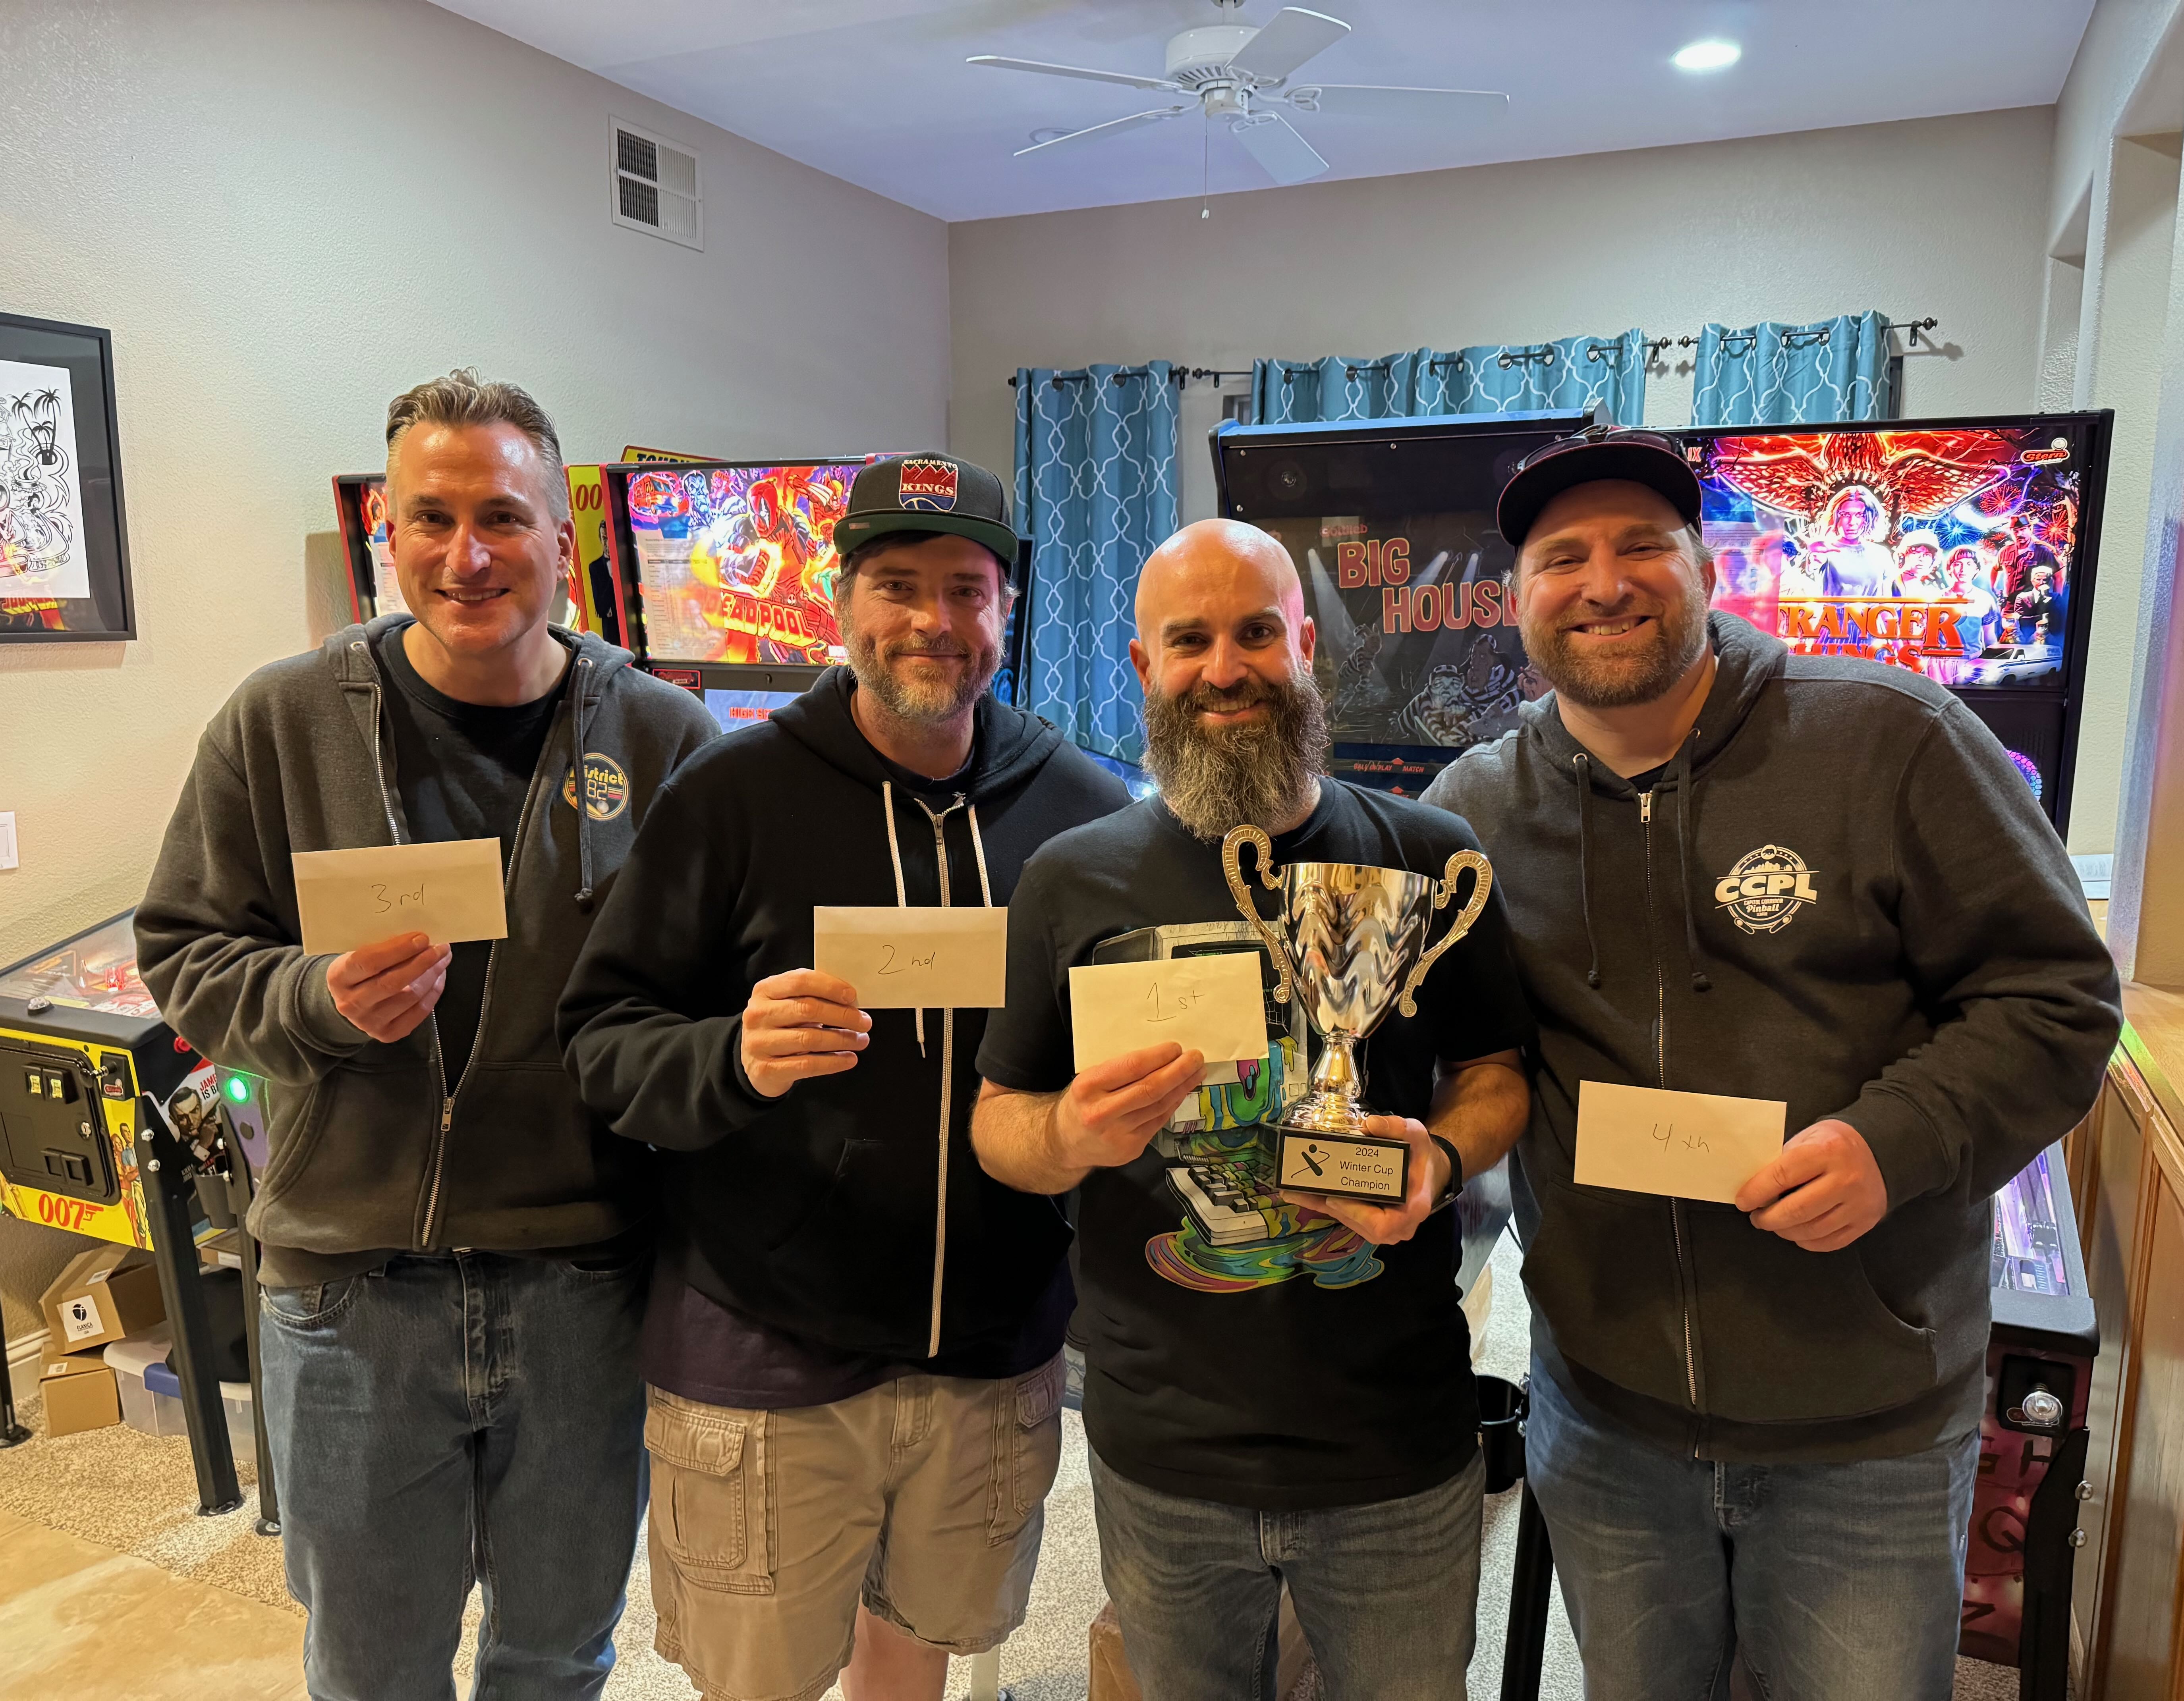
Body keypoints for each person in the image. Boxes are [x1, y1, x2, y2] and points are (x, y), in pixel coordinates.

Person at [1422, 428, 2122, 1700]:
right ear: (1516, 599)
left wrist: (1890, 1142)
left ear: (1708, 569)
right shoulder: (1472, 809)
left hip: (1863, 1428)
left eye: (1642, 545)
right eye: (1562, 558)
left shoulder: (1894, 739)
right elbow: (1458, 1055)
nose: (1604, 582)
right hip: (1608, 1412)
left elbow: (2058, 998)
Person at [135, 370, 717, 1699]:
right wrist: (315, 1002)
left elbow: (712, 992)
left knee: (557, 1655)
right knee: (370, 1668)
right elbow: (183, 949)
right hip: (350, 1286)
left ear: (561, 539)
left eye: (502, 517)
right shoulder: (280, 722)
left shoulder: (666, 736)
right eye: (432, 519)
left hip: (582, 1280)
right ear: (386, 533)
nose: (469, 556)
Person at [558, 453, 1127, 1701]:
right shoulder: (730, 793)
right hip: (768, 1346)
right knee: (759, 1680)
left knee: (915, 1658)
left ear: (1008, 609)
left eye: (967, 588)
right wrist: (730, 1054)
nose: (933, 619)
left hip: (991, 1347)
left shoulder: (1083, 808)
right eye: (897, 584)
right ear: (839, 601)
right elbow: (602, 1037)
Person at [969, 519, 1533, 1701]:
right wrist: (1067, 1134)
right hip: (1164, 1451)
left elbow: (1496, 1074)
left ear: (1306, 645)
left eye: (1257, 633)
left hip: (1395, 1440)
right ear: (1144, 665)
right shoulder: (1072, 878)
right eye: (1190, 641)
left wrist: (1435, 1158)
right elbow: (998, 1121)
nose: (1225, 669)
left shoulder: (1425, 851)